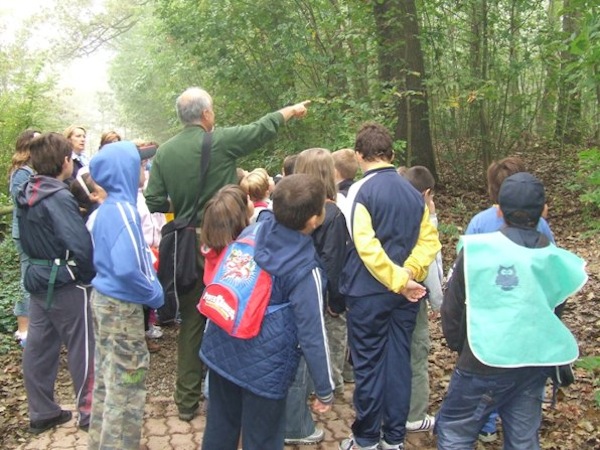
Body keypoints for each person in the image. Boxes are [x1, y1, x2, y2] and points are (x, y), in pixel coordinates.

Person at [144, 86, 311, 421]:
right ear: (206, 114)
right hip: (223, 246)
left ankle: (187, 401)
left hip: (185, 246)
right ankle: (232, 391)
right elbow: (259, 129)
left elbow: (154, 201)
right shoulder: (219, 141)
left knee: (192, 322)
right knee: (235, 312)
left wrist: (183, 203)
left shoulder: (165, 153)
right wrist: (291, 110)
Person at [436, 172, 587, 449]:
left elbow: (453, 308)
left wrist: (462, 347)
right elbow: (555, 309)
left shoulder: (476, 251)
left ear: (499, 210)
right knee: (523, 439)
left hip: (482, 360)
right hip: (534, 361)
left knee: (455, 430)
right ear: (543, 210)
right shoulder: (557, 260)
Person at [200, 173, 334, 450]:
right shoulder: (305, 269)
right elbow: (313, 333)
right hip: (266, 369)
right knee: (262, 439)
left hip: (223, 348)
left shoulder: (252, 231)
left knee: (219, 429)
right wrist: (324, 387)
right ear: (313, 219)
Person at [338, 123, 441, 450]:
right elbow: (430, 241)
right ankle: (394, 437)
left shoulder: (358, 191)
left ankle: (367, 438)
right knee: (399, 362)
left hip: (370, 295)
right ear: (392, 155)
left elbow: (365, 246)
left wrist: (400, 279)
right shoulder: (413, 193)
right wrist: (409, 275)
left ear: (359, 155)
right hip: (406, 296)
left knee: (368, 365)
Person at [464, 156, 555, 442]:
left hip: (490, 318)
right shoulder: (540, 227)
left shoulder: (478, 223)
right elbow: (550, 271)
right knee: (524, 383)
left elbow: (464, 271)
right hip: (528, 320)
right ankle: (517, 428)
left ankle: (488, 424)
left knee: (489, 376)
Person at [15, 132, 95, 434]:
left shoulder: (25, 191)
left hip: (36, 279)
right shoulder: (59, 196)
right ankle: (89, 412)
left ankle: (42, 411)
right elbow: (80, 244)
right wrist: (87, 275)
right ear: (64, 161)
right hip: (63, 282)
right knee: (82, 346)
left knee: (38, 346)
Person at [87, 140, 164, 449]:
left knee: (108, 377)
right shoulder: (124, 211)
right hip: (121, 309)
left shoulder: (107, 209)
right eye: (141, 165)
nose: (144, 170)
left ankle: (101, 442)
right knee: (127, 383)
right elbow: (129, 267)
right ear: (126, 171)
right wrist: (155, 294)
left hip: (104, 302)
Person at [284, 148, 349, 446]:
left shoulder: (291, 208)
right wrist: (336, 301)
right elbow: (334, 261)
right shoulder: (332, 214)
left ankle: (309, 395)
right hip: (318, 293)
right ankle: (317, 400)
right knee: (317, 347)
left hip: (295, 290)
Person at [401, 165, 444, 433]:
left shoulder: (390, 210)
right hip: (413, 295)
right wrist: (440, 304)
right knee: (417, 353)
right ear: (426, 193)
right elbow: (431, 264)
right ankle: (415, 414)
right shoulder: (421, 219)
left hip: (387, 291)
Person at [9, 129, 41, 346]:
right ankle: (23, 330)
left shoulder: (33, 170)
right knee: (26, 278)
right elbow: (24, 201)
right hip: (24, 232)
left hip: (33, 231)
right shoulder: (22, 172)